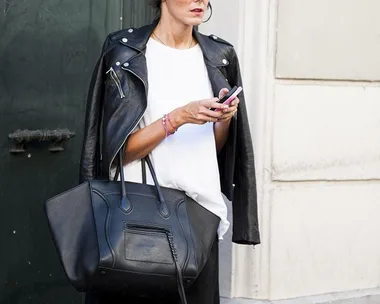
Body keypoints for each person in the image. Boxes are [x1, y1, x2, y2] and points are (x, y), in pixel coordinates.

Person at [80, 0, 260, 303]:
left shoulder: (220, 56)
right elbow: (116, 153)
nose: (200, 1)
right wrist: (177, 118)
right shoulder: (124, 52)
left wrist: (223, 121)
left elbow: (213, 150)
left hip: (198, 218)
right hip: (135, 219)